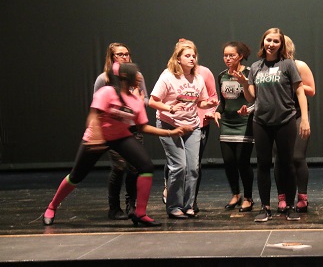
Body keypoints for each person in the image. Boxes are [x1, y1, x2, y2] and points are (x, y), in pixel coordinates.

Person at [43, 63, 189, 227]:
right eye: (136, 75)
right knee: (77, 175)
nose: (140, 77)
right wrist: (97, 139)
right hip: (96, 137)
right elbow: (94, 116)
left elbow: (142, 127)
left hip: (120, 137)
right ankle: (51, 207)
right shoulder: (107, 92)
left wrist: (172, 132)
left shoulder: (135, 100)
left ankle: (140, 213)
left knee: (146, 166)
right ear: (126, 78)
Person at [234, 27, 310, 222]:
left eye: (276, 41)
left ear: (281, 44)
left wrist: (305, 120)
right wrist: (244, 83)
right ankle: (265, 207)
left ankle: (290, 207)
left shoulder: (287, 65)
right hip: (261, 121)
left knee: (287, 164)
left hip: (285, 120)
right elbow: (251, 97)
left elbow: (300, 92)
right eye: (269, 40)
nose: (272, 44)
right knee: (263, 164)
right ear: (263, 42)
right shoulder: (256, 67)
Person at [149, 40, 218, 219]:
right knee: (179, 166)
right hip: (169, 124)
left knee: (193, 168)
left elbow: (199, 102)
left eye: (194, 56)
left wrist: (207, 104)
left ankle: (188, 205)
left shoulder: (198, 78)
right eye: (187, 56)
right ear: (178, 59)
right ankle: (174, 206)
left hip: (192, 125)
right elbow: (153, 101)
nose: (192, 59)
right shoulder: (168, 76)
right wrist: (170, 108)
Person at [94, 42, 149, 220]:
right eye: (120, 54)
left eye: (126, 54)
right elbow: (97, 107)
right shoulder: (104, 79)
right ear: (112, 58)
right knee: (119, 168)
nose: (125, 57)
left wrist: (140, 101)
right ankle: (114, 207)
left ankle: (131, 205)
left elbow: (145, 99)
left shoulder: (137, 76)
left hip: (133, 129)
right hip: (113, 131)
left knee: (134, 168)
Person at [273, 36, 315, 213]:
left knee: (297, 156)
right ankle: (282, 197)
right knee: (280, 160)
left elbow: (311, 90)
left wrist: (291, 81)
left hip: (297, 114)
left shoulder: (300, 65)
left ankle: (302, 197)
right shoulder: (270, 67)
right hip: (276, 116)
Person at [212, 41, 255, 212]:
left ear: (240, 56)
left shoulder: (251, 73)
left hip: (245, 123)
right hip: (227, 125)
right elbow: (223, 102)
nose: (228, 58)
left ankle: (248, 198)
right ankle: (235, 194)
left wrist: (248, 111)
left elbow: (255, 98)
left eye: (232, 55)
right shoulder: (222, 75)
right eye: (225, 55)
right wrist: (217, 111)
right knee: (229, 162)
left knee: (242, 162)